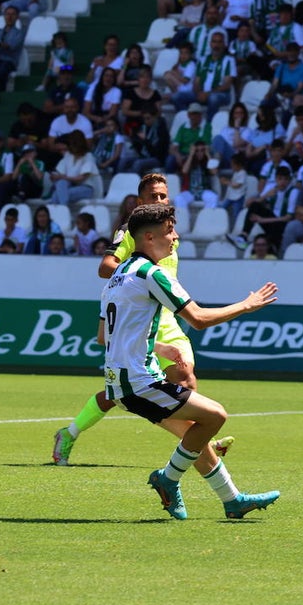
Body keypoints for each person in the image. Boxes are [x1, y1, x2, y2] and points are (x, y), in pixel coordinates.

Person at [97, 203, 279, 520]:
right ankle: (167, 479)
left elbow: (105, 335)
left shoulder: (117, 275)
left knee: (194, 435)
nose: (175, 237)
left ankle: (233, 501)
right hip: (139, 382)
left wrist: (159, 347)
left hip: (119, 382)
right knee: (214, 417)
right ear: (150, 237)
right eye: (170, 231)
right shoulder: (154, 274)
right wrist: (246, 305)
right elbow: (197, 319)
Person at [53, 173, 233, 466]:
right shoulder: (131, 232)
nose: (159, 200)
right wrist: (136, 276)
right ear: (140, 202)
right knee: (128, 392)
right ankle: (70, 432)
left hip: (167, 318)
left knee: (183, 380)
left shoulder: (169, 234)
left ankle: (199, 445)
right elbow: (106, 266)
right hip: (138, 315)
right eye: (153, 196)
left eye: (163, 196)